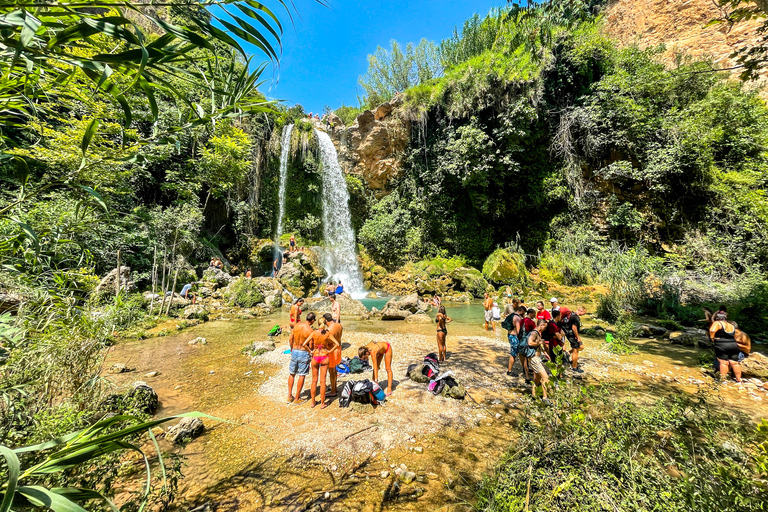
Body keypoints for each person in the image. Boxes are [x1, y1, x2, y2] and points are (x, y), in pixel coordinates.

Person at [302, 317, 340, 408]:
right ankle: (322, 403)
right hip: (324, 356)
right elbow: (337, 344)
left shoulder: (314, 333)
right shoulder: (327, 334)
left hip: (315, 356)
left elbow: (304, 344)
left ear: (318, 324)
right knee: (323, 381)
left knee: (314, 380)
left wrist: (310, 351)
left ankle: (313, 402)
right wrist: (330, 351)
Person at [287, 312, 315, 404]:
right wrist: (311, 352)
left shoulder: (297, 326)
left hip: (295, 350)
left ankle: (289, 396)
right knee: (301, 375)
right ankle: (297, 398)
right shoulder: (310, 331)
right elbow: (311, 345)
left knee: (292, 374)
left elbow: (291, 339)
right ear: (313, 320)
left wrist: (291, 349)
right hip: (304, 352)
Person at [709, 318, 744, 382]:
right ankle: (739, 379)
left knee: (724, 363)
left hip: (722, 345)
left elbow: (712, 330)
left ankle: (724, 380)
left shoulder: (718, 323)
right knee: (735, 363)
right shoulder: (731, 325)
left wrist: (712, 338)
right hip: (733, 345)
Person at [527, 320, 552, 402]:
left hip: (536, 358)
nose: (545, 328)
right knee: (546, 378)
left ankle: (533, 395)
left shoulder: (537, 333)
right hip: (534, 359)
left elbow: (538, 345)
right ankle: (545, 398)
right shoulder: (534, 333)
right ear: (541, 325)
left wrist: (544, 352)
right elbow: (530, 343)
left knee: (537, 378)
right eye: (545, 326)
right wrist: (540, 342)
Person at [556, 307, 583, 373]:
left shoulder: (561, 319)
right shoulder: (574, 317)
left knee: (581, 347)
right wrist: (577, 337)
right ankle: (574, 367)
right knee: (576, 350)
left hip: (566, 334)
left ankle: (567, 354)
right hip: (572, 335)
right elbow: (574, 328)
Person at [323, 313, 344, 397]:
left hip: (332, 350)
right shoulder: (339, 325)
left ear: (325, 320)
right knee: (334, 369)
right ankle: (334, 387)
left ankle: (333, 391)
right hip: (338, 348)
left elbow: (327, 342)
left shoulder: (329, 330)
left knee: (331, 371)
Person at [505, 305, 524, 377]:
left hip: (510, 335)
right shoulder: (517, 318)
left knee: (521, 352)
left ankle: (525, 368)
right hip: (514, 337)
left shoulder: (512, 315)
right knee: (513, 354)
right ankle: (509, 371)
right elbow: (519, 330)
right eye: (523, 313)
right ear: (521, 311)